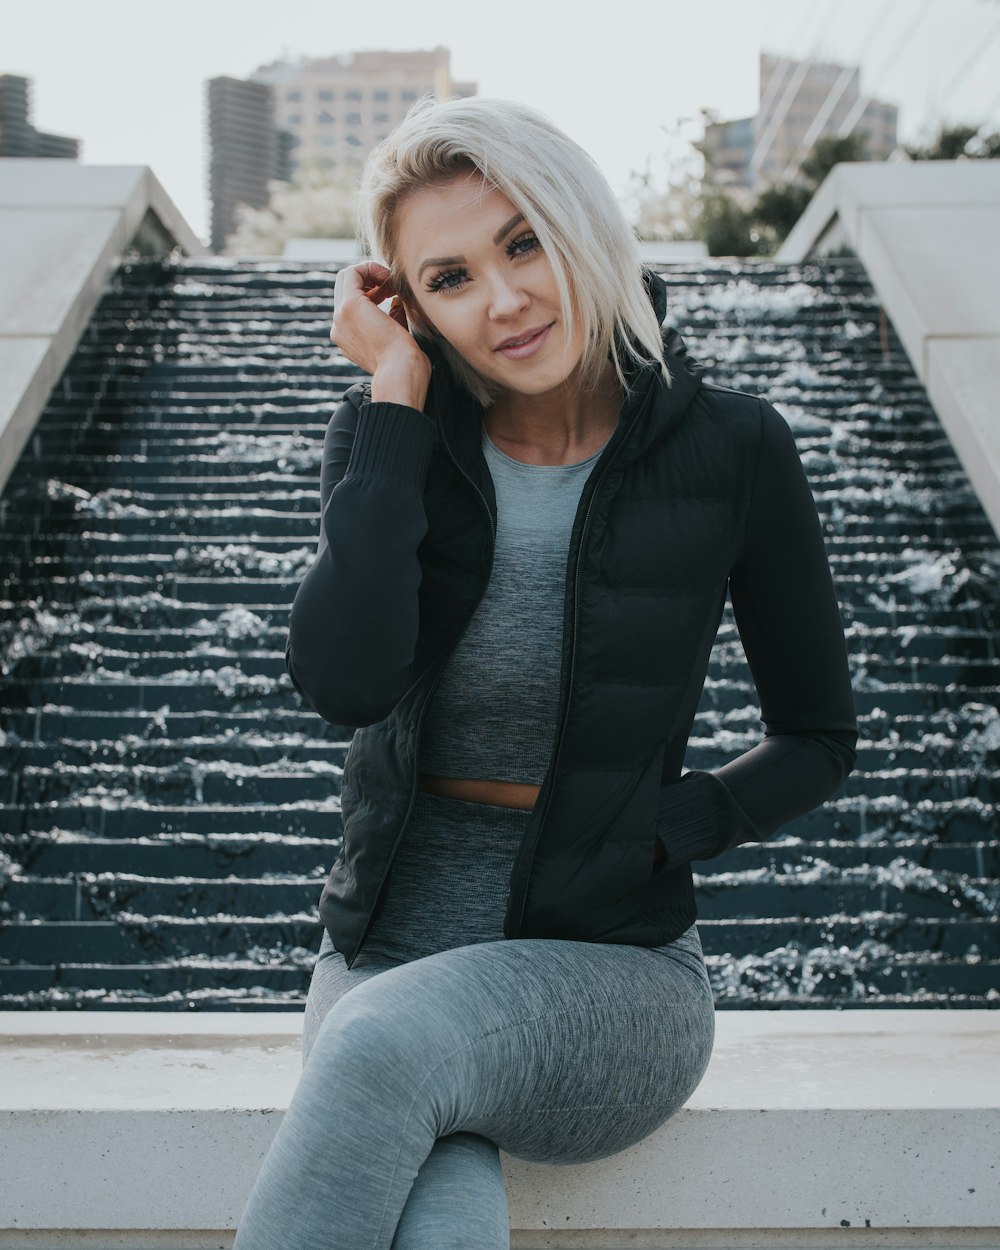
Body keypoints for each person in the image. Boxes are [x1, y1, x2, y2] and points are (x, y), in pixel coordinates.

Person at [233, 95, 858, 1250]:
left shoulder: (733, 447)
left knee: (381, 1043)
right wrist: (390, 403)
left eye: (523, 241)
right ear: (414, 309)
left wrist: (659, 827)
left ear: (582, 226)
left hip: (610, 964)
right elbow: (342, 684)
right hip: (388, 939)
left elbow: (820, 732)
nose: (506, 299)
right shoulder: (393, 438)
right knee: (432, 1177)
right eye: (452, 277)